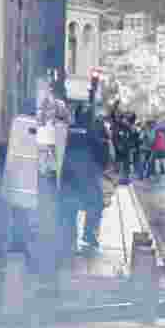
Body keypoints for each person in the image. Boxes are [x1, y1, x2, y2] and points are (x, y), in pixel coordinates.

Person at [60, 104, 109, 253]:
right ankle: (88, 234)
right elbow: (102, 155)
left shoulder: (67, 130)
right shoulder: (92, 132)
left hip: (68, 176)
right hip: (86, 177)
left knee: (69, 208)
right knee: (96, 203)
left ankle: (69, 239)